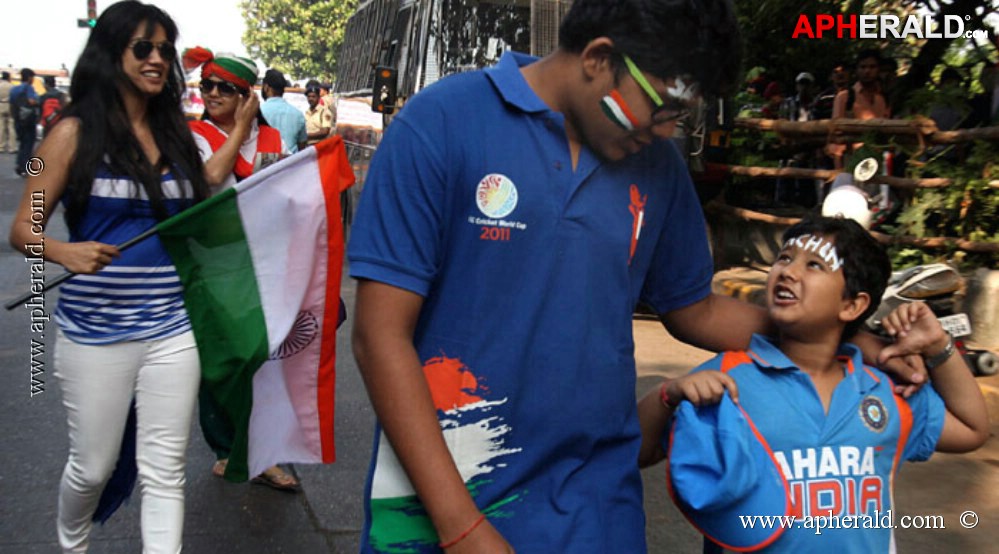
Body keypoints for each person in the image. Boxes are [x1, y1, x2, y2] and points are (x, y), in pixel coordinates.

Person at [638, 216, 989, 552]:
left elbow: (972, 429)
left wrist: (938, 347)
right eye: (784, 258)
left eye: (814, 265)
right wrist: (667, 395)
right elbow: (637, 452)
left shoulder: (885, 392)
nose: (787, 271)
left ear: (852, 305)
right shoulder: (726, 380)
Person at [8, 2, 210, 552]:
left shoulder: (177, 135)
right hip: (94, 333)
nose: (157, 59)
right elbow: (22, 230)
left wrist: (240, 133)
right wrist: (64, 251)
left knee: (165, 470)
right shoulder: (70, 132)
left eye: (166, 50)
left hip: (173, 328)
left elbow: (201, 201)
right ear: (111, 53)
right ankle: (72, 542)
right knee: (92, 468)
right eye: (143, 48)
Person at [180, 46, 299, 491]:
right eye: (207, 84)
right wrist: (243, 126)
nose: (211, 93)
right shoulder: (195, 134)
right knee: (221, 359)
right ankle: (228, 449)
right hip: (215, 262)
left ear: (246, 94)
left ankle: (260, 450)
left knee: (262, 358)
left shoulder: (270, 140)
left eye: (223, 88)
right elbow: (211, 177)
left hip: (266, 261)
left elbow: (289, 188)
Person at [828, 50, 890, 168]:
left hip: (877, 161)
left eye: (872, 67)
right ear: (856, 70)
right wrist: (839, 171)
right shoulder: (845, 97)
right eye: (863, 67)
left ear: (878, 70)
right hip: (851, 160)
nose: (867, 71)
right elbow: (836, 135)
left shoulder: (882, 98)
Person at [259, 68, 306, 153]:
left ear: (266, 87)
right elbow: (302, 149)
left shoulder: (258, 112)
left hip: (265, 164)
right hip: (290, 164)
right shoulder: (298, 114)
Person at [10, 67, 39, 176]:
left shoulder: (14, 89)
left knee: (22, 143)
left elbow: (12, 104)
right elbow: (31, 101)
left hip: (18, 119)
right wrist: (38, 103)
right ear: (29, 77)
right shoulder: (29, 88)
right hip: (28, 120)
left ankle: (19, 164)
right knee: (28, 144)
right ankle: (25, 167)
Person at [0, 71, 15, 154]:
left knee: (1, 127)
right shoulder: (12, 86)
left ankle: (1, 147)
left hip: (1, 105)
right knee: (11, 127)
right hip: (10, 106)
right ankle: (12, 147)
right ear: (8, 77)